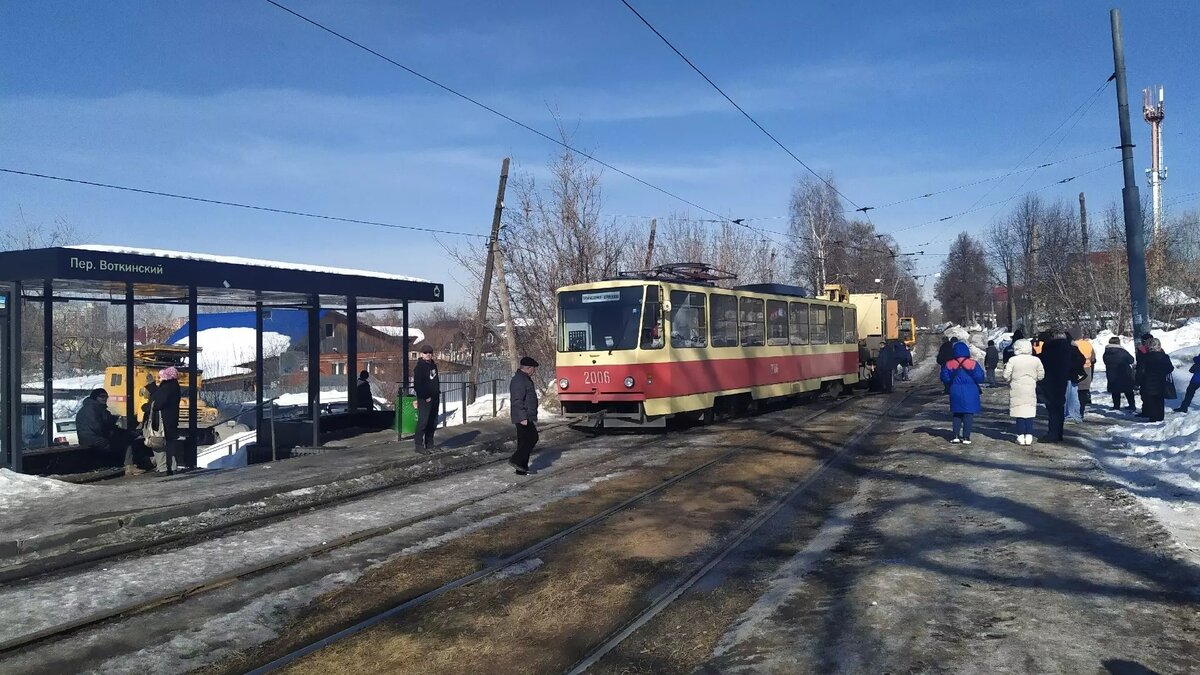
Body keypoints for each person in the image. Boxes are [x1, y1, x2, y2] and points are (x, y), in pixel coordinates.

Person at [76, 388, 145, 476]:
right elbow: (97, 427)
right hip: (93, 439)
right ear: (95, 397)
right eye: (102, 396)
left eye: (106, 397)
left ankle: (137, 462)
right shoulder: (92, 409)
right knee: (127, 442)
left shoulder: (96, 408)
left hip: (92, 437)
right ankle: (130, 466)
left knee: (127, 437)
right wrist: (111, 431)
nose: (105, 398)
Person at [940, 341, 985, 444]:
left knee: (957, 414)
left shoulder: (949, 363)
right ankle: (966, 437)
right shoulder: (972, 363)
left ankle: (955, 436)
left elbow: (944, 377)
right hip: (971, 391)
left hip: (955, 391)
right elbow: (980, 377)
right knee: (968, 414)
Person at [1004, 338, 1045, 445]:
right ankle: (1029, 436)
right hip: (1030, 387)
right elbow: (1041, 375)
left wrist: (1010, 380)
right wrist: (1034, 379)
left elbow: (1006, 375)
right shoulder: (1036, 360)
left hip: (1017, 388)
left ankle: (1020, 436)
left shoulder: (1013, 360)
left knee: (1019, 412)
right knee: (1029, 412)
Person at [1038, 331, 1077, 442]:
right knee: (1059, 406)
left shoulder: (1049, 347)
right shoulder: (1070, 348)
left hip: (1049, 379)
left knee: (1052, 408)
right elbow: (1080, 360)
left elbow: (1042, 361)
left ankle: (1053, 433)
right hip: (1062, 379)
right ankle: (1059, 432)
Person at [508, 356, 540, 475]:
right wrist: (522, 417)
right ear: (528, 368)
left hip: (526, 415)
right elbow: (517, 400)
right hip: (523, 416)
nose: (534, 371)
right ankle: (516, 460)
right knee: (532, 438)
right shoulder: (520, 380)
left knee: (523, 441)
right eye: (533, 368)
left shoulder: (524, 379)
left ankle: (521, 468)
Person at [149, 366, 182, 474]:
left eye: (162, 376)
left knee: (158, 443)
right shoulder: (175, 386)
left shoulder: (166, 388)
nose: (160, 378)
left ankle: (162, 468)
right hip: (172, 419)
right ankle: (173, 467)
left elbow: (157, 403)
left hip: (162, 420)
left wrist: (148, 405)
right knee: (170, 443)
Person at [1139, 338, 1175, 422]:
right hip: (1161, 381)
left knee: (1151, 400)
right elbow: (1170, 368)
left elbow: (1141, 370)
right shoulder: (1164, 357)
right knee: (1160, 400)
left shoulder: (1145, 357)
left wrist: (1139, 380)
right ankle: (1160, 417)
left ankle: (1153, 417)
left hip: (1148, 381)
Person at [412, 345, 440, 454]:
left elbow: (435, 381)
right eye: (425, 352)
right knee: (423, 422)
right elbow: (418, 385)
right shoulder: (420, 367)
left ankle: (430, 444)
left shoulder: (433, 365)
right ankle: (418, 445)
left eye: (430, 352)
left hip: (435, 398)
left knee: (432, 422)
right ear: (422, 354)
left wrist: (436, 394)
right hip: (425, 399)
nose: (428, 354)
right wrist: (425, 396)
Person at [1102, 336, 1137, 411]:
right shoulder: (1122, 352)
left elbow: (1105, 362)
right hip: (1124, 373)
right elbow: (1131, 360)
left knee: (1115, 391)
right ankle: (1132, 405)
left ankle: (1116, 406)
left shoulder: (1106, 352)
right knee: (1128, 390)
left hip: (1111, 373)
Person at [1134, 333, 1153, 416]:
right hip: (1156, 377)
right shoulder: (1158, 349)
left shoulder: (1142, 350)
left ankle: (1146, 411)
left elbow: (1140, 366)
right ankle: (1152, 411)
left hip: (1144, 376)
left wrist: (1137, 380)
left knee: (1145, 395)